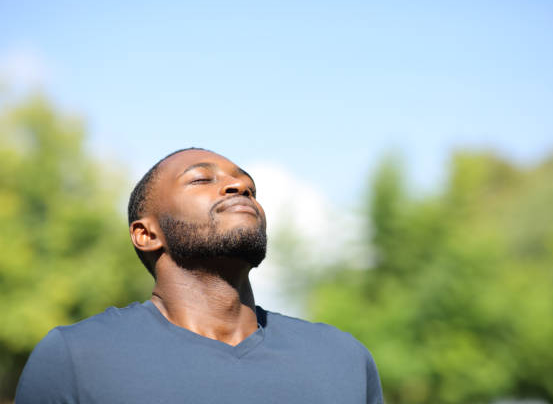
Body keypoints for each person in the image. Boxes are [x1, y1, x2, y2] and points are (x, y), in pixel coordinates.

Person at [15, 148, 383, 403]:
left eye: (250, 188)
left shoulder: (343, 360)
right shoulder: (77, 359)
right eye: (201, 179)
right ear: (146, 234)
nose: (239, 187)